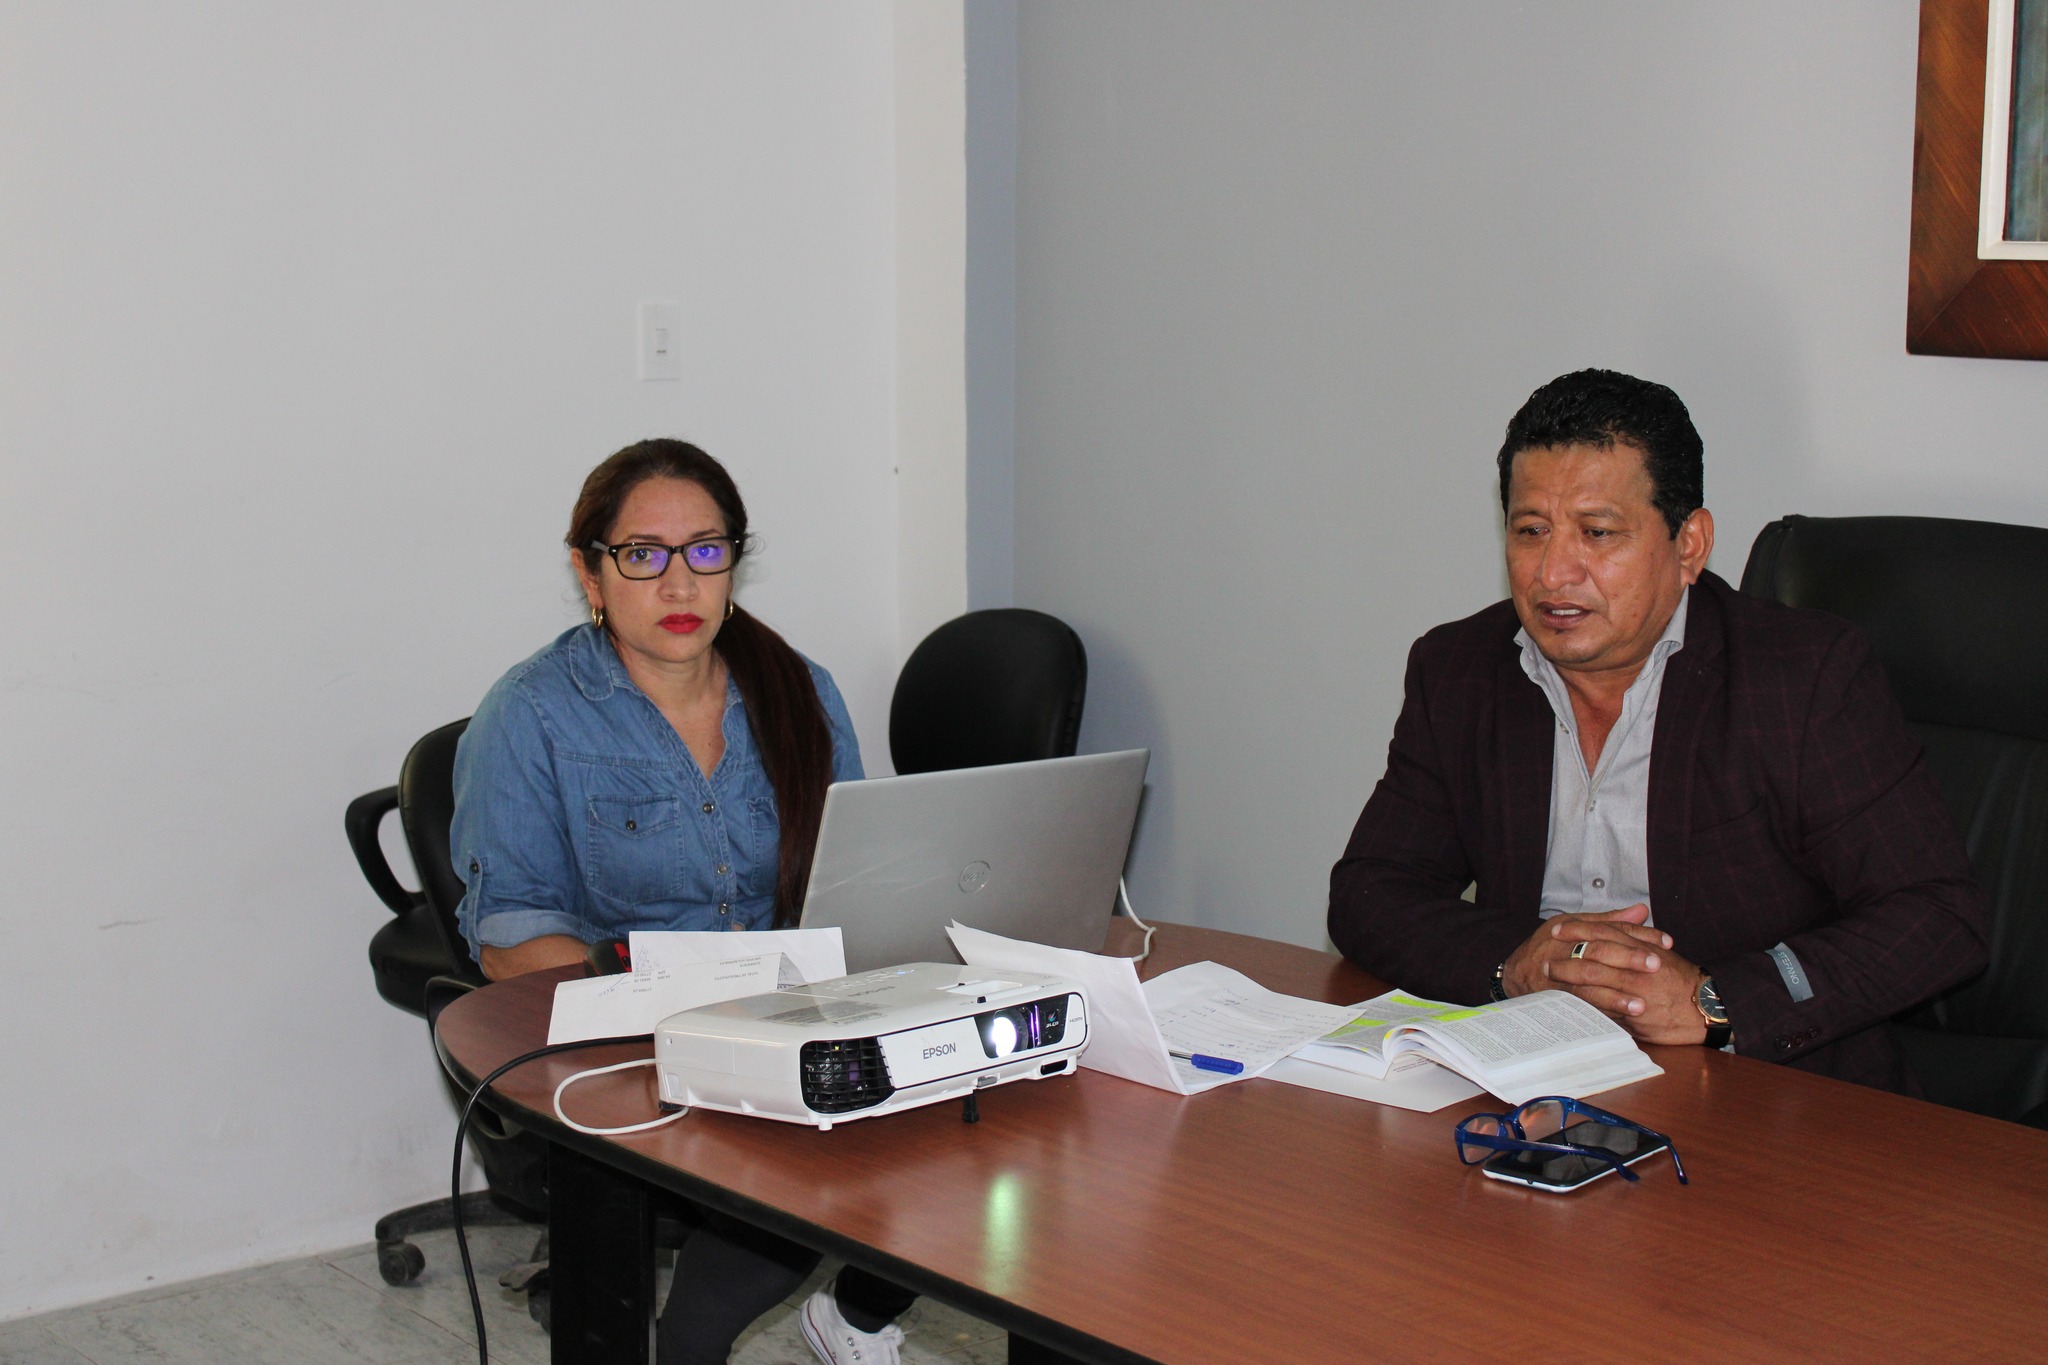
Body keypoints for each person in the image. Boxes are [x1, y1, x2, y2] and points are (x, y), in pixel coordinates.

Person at [1327, 369, 1988, 1092]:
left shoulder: (1801, 677)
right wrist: (1514, 962)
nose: (1553, 573)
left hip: (1765, 1095)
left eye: (1597, 533)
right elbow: (1370, 892)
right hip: (1535, 1084)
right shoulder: (1459, 670)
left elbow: (1938, 916)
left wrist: (1716, 1001)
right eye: (1531, 531)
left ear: (1689, 544)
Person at [452, 439, 914, 1364]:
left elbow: (854, 881)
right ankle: (689, 1343)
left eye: (705, 550)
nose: (678, 582)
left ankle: (856, 1314)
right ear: (589, 572)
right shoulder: (532, 714)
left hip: (790, 1017)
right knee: (796, 1162)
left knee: (989, 1102)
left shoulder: (798, 689)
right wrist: (677, 998)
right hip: (632, 1041)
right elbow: (509, 938)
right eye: (642, 554)